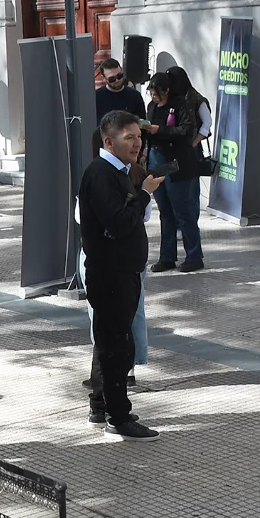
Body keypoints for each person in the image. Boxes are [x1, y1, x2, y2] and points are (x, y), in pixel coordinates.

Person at [80, 111, 163, 442]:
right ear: (109, 142)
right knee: (116, 346)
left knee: (109, 343)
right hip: (111, 275)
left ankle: (102, 405)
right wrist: (143, 193)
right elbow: (117, 223)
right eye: (130, 138)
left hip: (122, 272)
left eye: (139, 137)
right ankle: (118, 416)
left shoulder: (118, 172)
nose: (137, 143)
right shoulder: (101, 174)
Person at [144, 71, 203, 272]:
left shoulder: (179, 104)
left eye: (157, 92)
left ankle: (194, 255)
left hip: (176, 162)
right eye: (151, 92)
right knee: (165, 211)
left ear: (167, 90)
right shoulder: (152, 107)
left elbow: (186, 131)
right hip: (157, 159)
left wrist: (159, 130)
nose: (153, 96)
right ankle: (167, 256)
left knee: (182, 210)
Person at [95, 58, 147, 123]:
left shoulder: (135, 95)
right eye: (112, 79)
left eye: (119, 76)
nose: (117, 80)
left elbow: (142, 123)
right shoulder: (97, 97)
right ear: (104, 78)